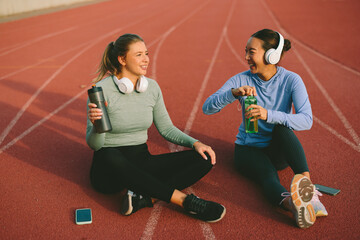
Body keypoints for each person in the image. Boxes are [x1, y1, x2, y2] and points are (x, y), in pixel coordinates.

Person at [86, 33, 226, 223]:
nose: (146, 60)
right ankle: (185, 201)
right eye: (138, 55)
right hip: (109, 172)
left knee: (205, 157)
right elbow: (95, 145)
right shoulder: (100, 91)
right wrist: (97, 127)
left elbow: (167, 129)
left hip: (141, 161)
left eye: (147, 53)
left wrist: (195, 143)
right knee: (108, 154)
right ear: (122, 59)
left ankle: (144, 198)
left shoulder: (151, 88)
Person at [202, 29, 327, 228]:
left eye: (251, 52)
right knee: (268, 176)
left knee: (282, 128)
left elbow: (306, 120)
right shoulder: (241, 80)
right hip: (248, 150)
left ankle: (308, 191)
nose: (246, 57)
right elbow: (207, 108)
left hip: (278, 149)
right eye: (246, 52)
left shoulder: (292, 80)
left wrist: (267, 114)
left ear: (271, 55)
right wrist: (232, 93)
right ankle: (294, 206)